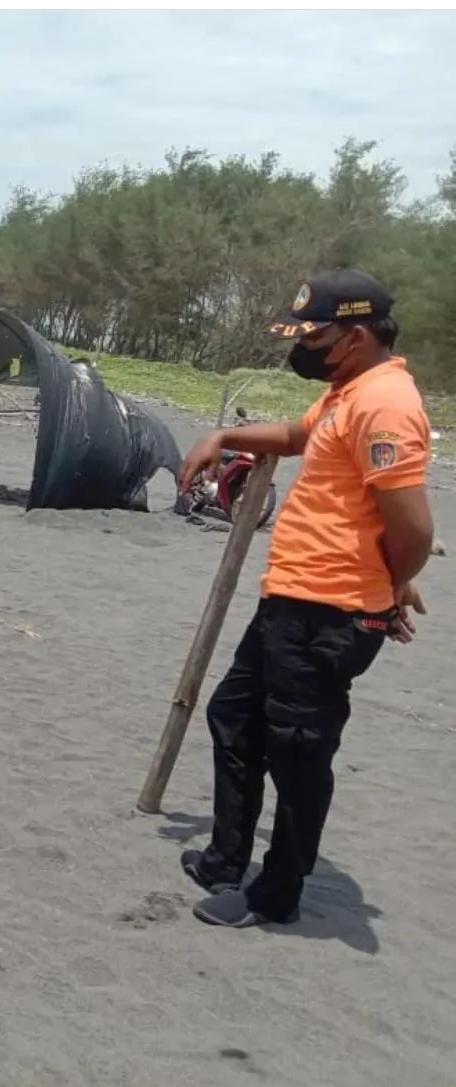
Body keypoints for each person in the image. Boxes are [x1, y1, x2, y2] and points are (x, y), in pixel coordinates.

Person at [176, 268, 434, 929]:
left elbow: (412, 528)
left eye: (310, 335)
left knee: (297, 749)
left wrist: (386, 585)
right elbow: (297, 437)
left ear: (350, 336)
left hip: (330, 611)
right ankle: (226, 856)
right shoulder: (345, 392)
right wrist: (225, 436)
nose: (301, 347)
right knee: (233, 717)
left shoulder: (386, 404)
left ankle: (274, 894)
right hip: (289, 599)